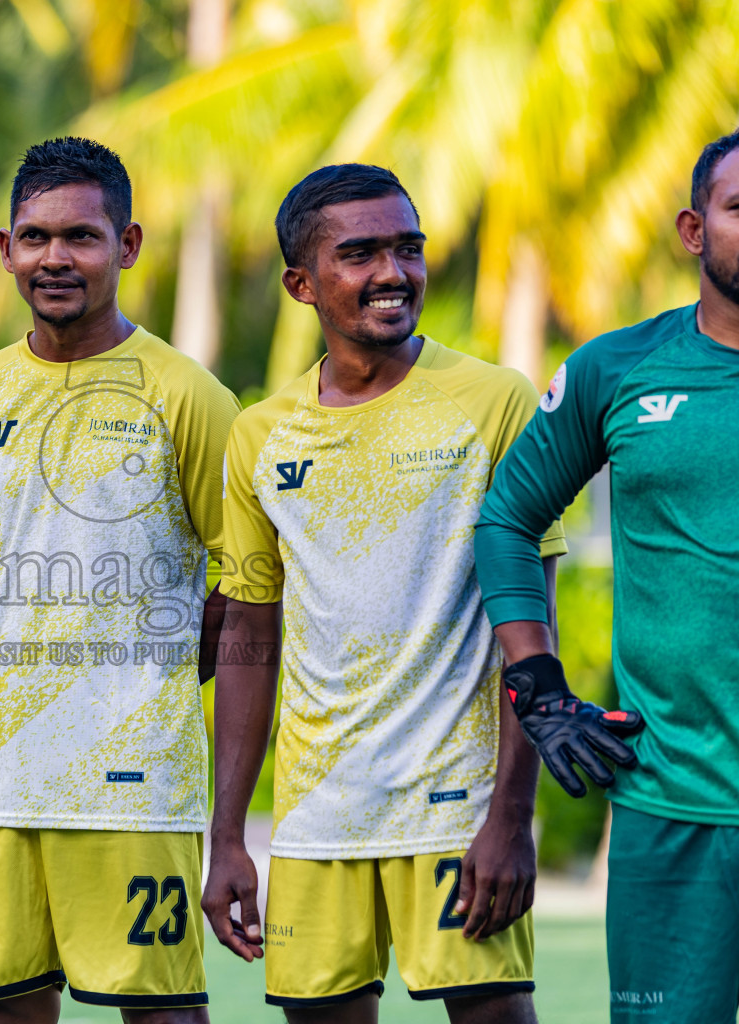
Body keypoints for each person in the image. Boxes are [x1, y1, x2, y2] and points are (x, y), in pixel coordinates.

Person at [474, 121, 739, 1024]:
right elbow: (508, 518)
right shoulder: (615, 369)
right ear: (695, 229)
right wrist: (536, 682)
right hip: (670, 795)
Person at [204, 164, 565, 1024]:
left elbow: (533, 625)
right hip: (316, 821)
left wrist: (512, 817)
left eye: (407, 248)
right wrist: (227, 837)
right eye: (359, 254)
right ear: (301, 283)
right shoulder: (261, 436)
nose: (392, 274)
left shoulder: (493, 403)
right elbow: (251, 639)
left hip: (458, 813)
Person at [0, 136, 239, 1022]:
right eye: (34, 237)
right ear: (6, 250)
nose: (54, 258)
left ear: (128, 246)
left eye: (81, 236)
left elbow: (250, 575)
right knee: (4, 1008)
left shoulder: (187, 393)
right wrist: (35, 661)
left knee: (159, 1012)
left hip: (136, 777)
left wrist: (160, 667)